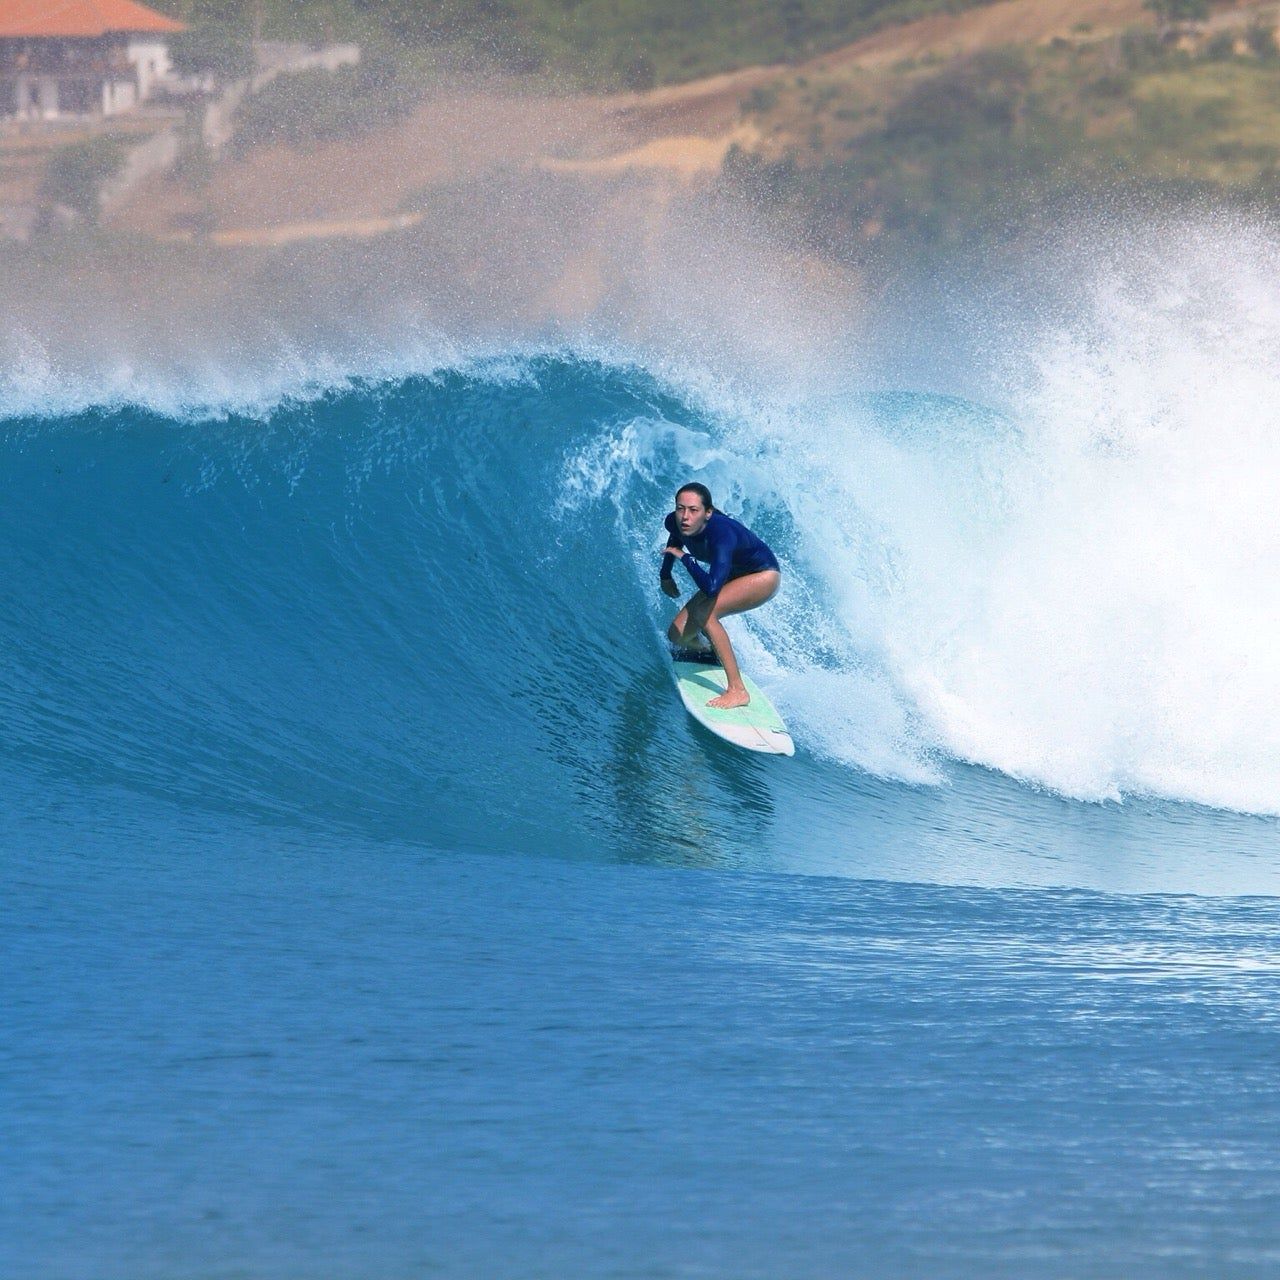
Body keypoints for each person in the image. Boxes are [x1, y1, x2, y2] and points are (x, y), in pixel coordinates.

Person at [660, 482, 781, 710]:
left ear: (708, 513)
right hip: (731, 574)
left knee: (706, 614)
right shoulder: (674, 522)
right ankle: (709, 651)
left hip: (763, 575)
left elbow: (712, 589)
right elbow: (675, 539)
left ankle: (737, 690)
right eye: (680, 508)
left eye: (693, 510)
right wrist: (665, 574)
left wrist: (685, 559)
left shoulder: (721, 534)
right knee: (677, 636)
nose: (685, 516)